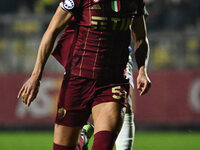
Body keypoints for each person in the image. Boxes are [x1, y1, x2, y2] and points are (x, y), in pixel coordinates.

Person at [17, 0, 151, 150]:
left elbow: (140, 38)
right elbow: (52, 30)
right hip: (78, 79)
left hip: (113, 82)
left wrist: (142, 70)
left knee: (103, 145)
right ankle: (82, 140)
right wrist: (36, 76)